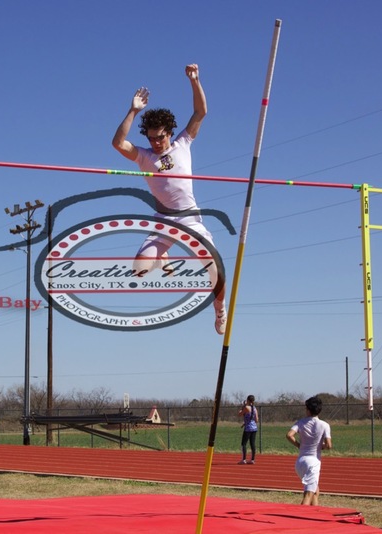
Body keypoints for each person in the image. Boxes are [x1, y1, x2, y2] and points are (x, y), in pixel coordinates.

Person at [112, 64, 227, 335]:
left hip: (190, 220)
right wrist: (133, 111)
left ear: (169, 132)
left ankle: (220, 310)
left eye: (160, 137)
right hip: (164, 222)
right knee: (139, 270)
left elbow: (201, 112)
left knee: (216, 272)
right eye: (151, 138)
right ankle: (162, 256)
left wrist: (195, 81)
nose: (156, 142)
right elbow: (118, 143)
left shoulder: (183, 143)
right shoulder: (143, 157)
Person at [286, 396, 332, 505]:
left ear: (308, 409)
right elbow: (329, 445)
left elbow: (289, 435)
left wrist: (298, 445)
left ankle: (315, 512)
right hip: (313, 463)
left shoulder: (300, 422)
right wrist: (321, 446)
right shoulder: (324, 425)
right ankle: (301, 514)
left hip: (300, 462)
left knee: (315, 491)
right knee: (308, 494)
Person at [237, 395, 258, 464]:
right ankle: (252, 460)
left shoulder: (246, 407)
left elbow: (239, 414)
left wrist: (242, 408)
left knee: (243, 444)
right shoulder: (254, 408)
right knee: (252, 444)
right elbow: (256, 420)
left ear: (248, 400)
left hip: (248, 428)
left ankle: (244, 459)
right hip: (254, 428)